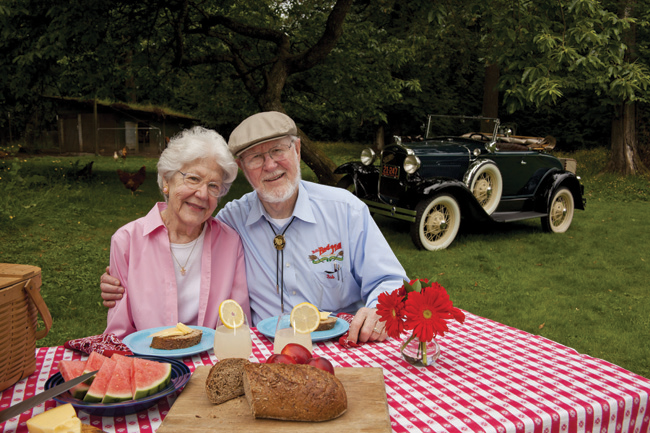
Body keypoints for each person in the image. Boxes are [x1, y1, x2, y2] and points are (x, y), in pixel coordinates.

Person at [102, 112, 407, 343]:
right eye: (256, 158)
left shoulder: (346, 210)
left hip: (342, 344)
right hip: (269, 352)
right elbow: (183, 233)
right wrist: (122, 278)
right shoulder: (231, 221)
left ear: (297, 151)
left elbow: (391, 279)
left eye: (278, 151)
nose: (270, 165)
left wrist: (380, 307)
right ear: (244, 170)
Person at [104, 126, 250, 339]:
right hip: (149, 359)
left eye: (213, 186)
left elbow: (238, 323)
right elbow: (119, 333)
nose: (201, 194)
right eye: (193, 179)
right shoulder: (126, 242)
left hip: (211, 360)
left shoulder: (230, 242)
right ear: (166, 181)